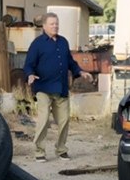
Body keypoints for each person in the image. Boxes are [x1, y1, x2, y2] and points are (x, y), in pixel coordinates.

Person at [24, 12, 93, 162]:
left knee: (64, 120)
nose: (55, 26)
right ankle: (39, 152)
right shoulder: (37, 44)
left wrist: (80, 71)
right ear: (44, 26)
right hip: (43, 88)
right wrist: (30, 75)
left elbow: (70, 62)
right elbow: (29, 64)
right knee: (43, 120)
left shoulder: (63, 42)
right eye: (52, 24)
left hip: (61, 88)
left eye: (57, 23)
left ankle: (61, 149)